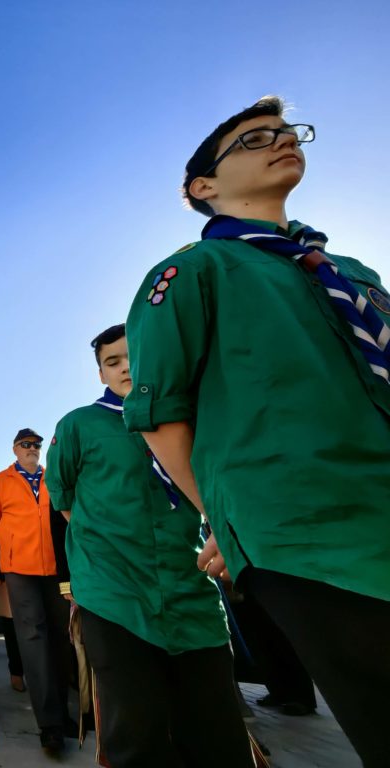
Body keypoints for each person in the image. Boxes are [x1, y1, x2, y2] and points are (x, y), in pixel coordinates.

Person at [123, 96, 390, 766]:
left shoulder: (348, 273)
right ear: (202, 187)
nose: (281, 141)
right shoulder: (192, 272)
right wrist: (224, 518)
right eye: (253, 139)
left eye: (287, 132)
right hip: (306, 531)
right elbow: (160, 413)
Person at [45, 323, 253, 767]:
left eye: (133, 356)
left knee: (217, 729)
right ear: (101, 374)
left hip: (190, 588)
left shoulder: (184, 419)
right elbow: (63, 500)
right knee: (137, 732)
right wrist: (106, 542)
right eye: (113, 362)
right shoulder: (79, 425)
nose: (125, 368)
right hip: (113, 593)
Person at [0, 428, 72, 757]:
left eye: (36, 444)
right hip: (19, 569)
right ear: (15, 449)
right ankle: (50, 725)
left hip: (55, 568)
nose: (32, 448)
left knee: (61, 639)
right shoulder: (1, 481)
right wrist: (14, 544)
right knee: (33, 639)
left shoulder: (53, 478)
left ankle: (63, 714)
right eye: (26, 444)